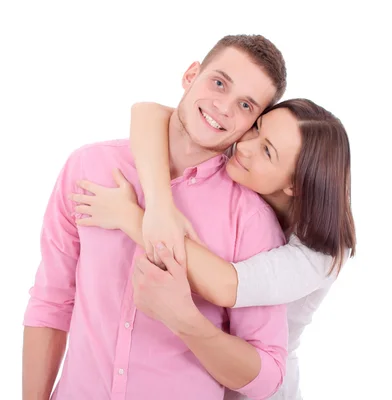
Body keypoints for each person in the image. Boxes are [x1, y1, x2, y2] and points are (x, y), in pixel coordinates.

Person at [23, 34, 290, 400]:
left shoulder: (251, 219)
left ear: (253, 124)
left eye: (245, 104)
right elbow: (51, 302)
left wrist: (186, 321)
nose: (224, 107)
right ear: (191, 74)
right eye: (218, 83)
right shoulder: (89, 167)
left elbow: (267, 375)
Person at [70, 98, 356, 399]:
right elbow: (148, 112)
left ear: (295, 185)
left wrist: (132, 218)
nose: (245, 146)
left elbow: (227, 285)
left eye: (267, 151)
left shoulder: (320, 253)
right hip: (202, 374)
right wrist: (160, 201)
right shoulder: (244, 175)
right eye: (256, 128)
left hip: (258, 385)